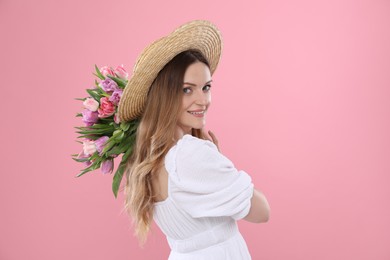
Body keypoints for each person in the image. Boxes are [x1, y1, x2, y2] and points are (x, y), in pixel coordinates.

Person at [117, 20, 270, 260]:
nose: (203, 100)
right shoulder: (190, 154)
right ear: (164, 96)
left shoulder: (151, 156)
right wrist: (222, 166)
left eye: (206, 87)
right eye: (187, 89)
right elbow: (262, 211)